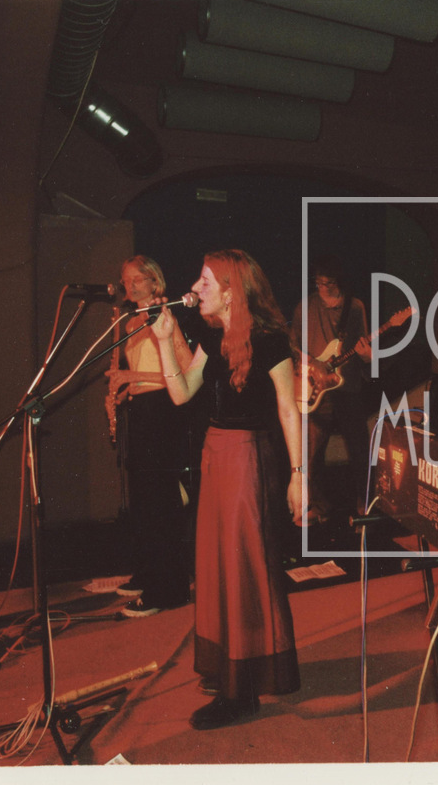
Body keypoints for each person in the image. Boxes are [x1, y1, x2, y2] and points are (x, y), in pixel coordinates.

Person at [148, 249, 305, 730]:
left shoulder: (270, 341)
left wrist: (299, 474)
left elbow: (288, 408)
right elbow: (181, 393)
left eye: (206, 280)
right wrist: (165, 341)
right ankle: (231, 668)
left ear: (232, 290)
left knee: (241, 569)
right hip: (216, 456)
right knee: (216, 564)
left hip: (246, 459)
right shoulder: (212, 339)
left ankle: (242, 693)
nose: (196, 288)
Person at [104, 255, 194, 618]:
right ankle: (148, 573)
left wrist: (132, 378)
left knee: (160, 504)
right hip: (141, 409)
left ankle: (168, 588)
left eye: (138, 279)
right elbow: (141, 370)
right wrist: (123, 391)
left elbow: (186, 372)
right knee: (143, 502)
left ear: (155, 282)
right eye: (125, 280)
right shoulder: (127, 320)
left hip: (163, 410)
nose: (130, 285)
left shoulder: (164, 316)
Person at [290, 255, 373, 525]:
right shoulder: (305, 307)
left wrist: (367, 356)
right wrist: (311, 363)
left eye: (328, 283)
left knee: (360, 450)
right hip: (315, 387)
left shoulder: (355, 307)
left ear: (339, 282)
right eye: (318, 282)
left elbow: (363, 347)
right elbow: (292, 346)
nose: (322, 288)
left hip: (348, 387)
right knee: (311, 453)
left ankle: (364, 505)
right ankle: (317, 506)